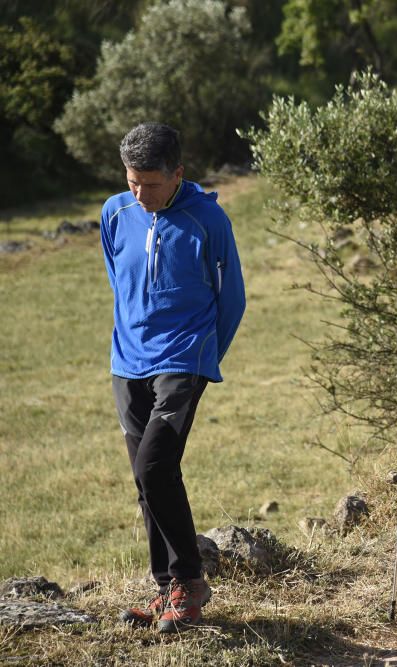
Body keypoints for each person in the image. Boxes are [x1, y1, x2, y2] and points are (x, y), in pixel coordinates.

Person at [101, 123, 245, 632]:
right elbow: (120, 280)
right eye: (132, 181)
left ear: (178, 174)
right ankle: (167, 591)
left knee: (156, 466)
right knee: (146, 479)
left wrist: (202, 359)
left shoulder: (209, 220)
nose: (140, 193)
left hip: (183, 360)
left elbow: (232, 301)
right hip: (127, 363)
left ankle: (190, 581)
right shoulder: (115, 212)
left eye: (151, 184)